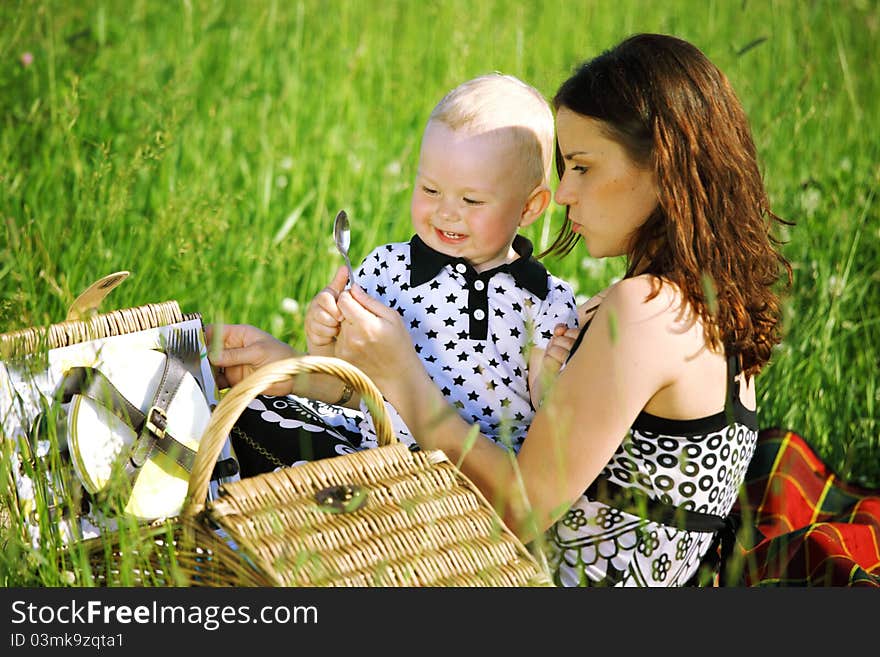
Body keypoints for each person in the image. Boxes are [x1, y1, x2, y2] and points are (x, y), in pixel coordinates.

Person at [210, 33, 792, 587]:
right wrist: (299, 367)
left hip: (521, 580)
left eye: (583, 167)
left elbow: (519, 511)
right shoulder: (698, 307)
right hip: (500, 556)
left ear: (664, 168)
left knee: (237, 443)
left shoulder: (645, 311)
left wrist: (402, 374)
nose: (564, 194)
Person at [213, 73, 578, 474]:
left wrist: (551, 382)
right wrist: (325, 346)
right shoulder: (389, 268)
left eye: (471, 200)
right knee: (246, 413)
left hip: (474, 483)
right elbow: (347, 387)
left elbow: (552, 432)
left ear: (529, 208)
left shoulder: (544, 299)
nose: (446, 212)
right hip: (374, 458)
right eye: (430, 190)